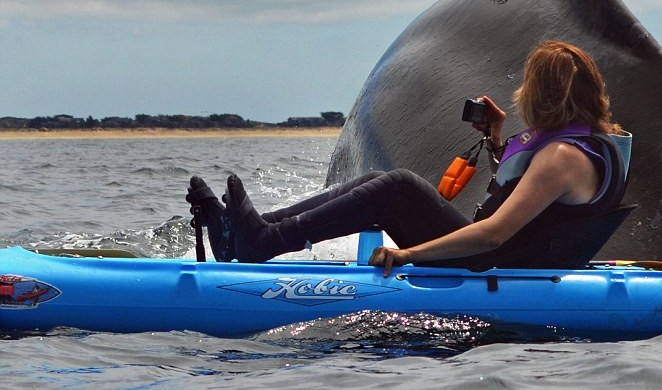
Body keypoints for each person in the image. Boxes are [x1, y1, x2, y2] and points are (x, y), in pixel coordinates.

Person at [186, 40, 627, 275]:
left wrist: (409, 255)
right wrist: (496, 139)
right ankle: (256, 231)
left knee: (396, 188)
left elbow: (495, 233)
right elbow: (530, 201)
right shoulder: (581, 146)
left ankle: (258, 242)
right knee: (382, 181)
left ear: (542, 96)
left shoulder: (562, 157)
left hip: (493, 262)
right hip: (509, 254)